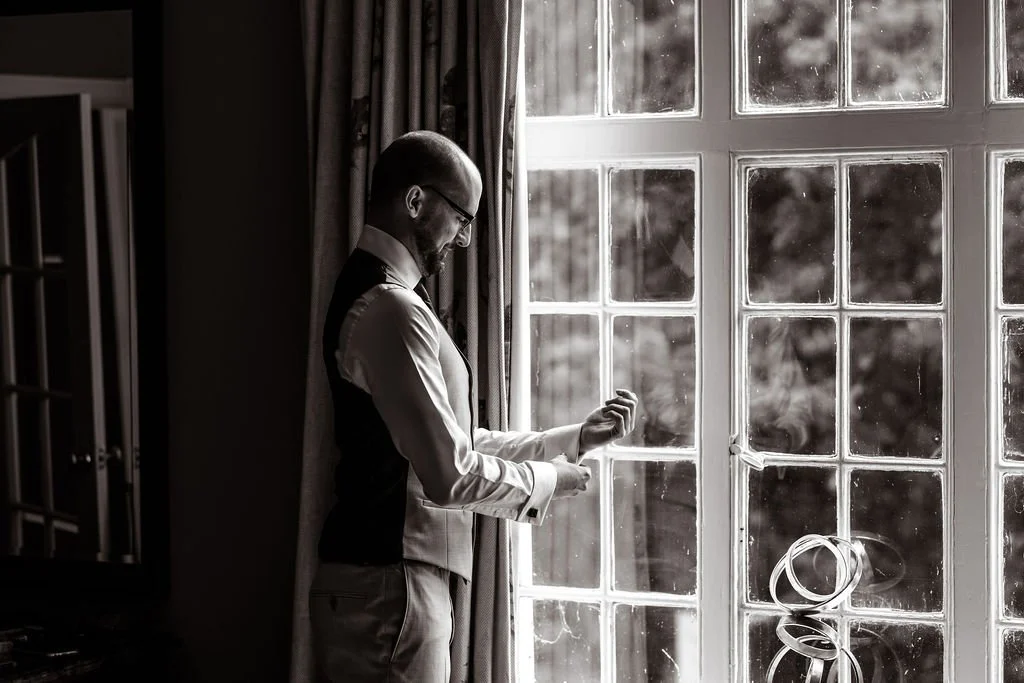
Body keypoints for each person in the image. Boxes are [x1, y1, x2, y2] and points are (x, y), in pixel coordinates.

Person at [310, 130, 638, 683]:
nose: (463, 240)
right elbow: (448, 473)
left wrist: (570, 441)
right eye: (461, 217)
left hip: (388, 588)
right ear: (415, 202)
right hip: (389, 589)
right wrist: (544, 480)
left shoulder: (389, 299)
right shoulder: (391, 309)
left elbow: (449, 444)